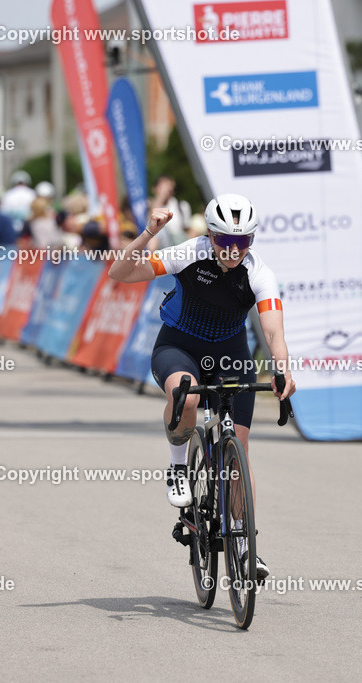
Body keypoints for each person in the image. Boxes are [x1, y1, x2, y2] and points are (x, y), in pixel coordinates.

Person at [108, 193, 296, 580]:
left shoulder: (260, 272)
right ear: (209, 236)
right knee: (185, 394)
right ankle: (178, 468)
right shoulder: (188, 253)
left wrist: (283, 371)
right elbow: (120, 274)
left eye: (242, 242)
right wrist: (147, 234)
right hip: (179, 347)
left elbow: (273, 330)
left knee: (239, 448)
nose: (232, 250)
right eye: (224, 240)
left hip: (231, 354)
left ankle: (245, 546)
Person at [149, 175, 190, 247]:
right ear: (154, 189)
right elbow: (148, 223)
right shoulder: (147, 205)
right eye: (162, 186)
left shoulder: (181, 206)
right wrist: (160, 198)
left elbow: (186, 229)